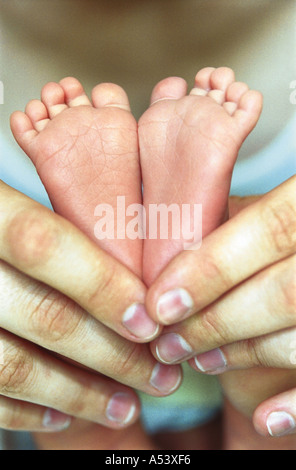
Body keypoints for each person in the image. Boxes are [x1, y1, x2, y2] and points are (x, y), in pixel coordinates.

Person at [0, 0, 295, 450]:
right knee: (269, 395)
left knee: (78, 404)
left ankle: (106, 273)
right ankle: (237, 326)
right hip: (229, 349)